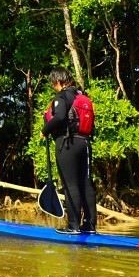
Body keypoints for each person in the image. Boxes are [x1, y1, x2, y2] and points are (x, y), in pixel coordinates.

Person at [41, 67, 97, 234]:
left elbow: (59, 117)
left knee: (70, 184)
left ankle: (73, 226)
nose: (53, 87)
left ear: (58, 81)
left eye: (53, 84)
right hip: (84, 143)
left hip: (67, 144)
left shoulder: (62, 96)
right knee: (86, 183)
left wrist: (45, 131)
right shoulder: (82, 96)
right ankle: (90, 226)